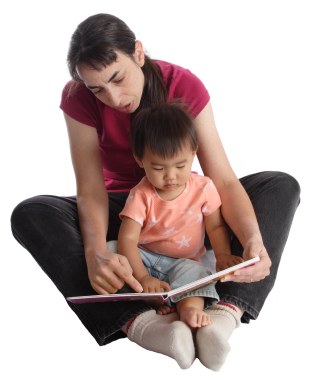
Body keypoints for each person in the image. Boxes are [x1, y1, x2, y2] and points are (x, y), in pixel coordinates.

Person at [10, 13, 300, 371]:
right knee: (31, 212)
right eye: (97, 88)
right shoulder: (78, 98)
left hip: (189, 212)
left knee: (280, 184)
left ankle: (226, 313)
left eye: (117, 78)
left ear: (138, 53)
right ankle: (143, 323)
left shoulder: (182, 84)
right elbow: (90, 190)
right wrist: (96, 252)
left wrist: (254, 240)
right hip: (127, 216)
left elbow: (222, 179)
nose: (112, 97)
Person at [118, 101, 243, 332]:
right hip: (145, 257)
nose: (170, 176)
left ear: (193, 152)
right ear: (140, 160)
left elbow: (215, 227)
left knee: (197, 274)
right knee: (112, 251)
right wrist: (144, 277)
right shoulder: (141, 195)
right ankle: (151, 297)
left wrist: (223, 255)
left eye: (180, 165)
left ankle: (189, 310)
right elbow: (127, 240)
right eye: (158, 168)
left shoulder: (203, 187)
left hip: (185, 262)